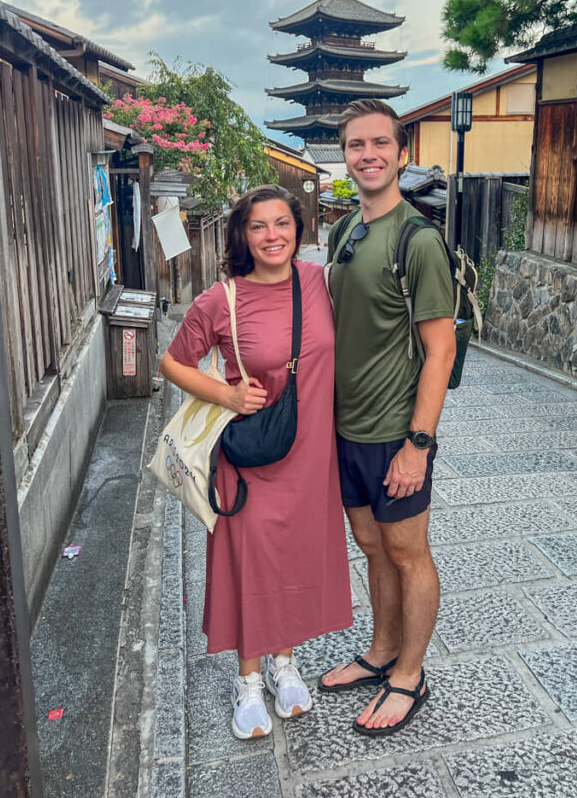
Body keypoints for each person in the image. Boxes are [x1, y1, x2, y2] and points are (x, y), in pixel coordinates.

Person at [160, 185, 353, 741]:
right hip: (249, 456)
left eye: (283, 224)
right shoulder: (222, 299)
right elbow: (173, 362)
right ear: (242, 235)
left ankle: (283, 662)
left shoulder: (318, 283)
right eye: (259, 226)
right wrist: (224, 396)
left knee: (292, 556)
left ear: (299, 227)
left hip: (310, 453)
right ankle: (247, 678)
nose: (273, 236)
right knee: (250, 559)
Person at [320, 99, 455, 737]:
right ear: (343, 156)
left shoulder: (418, 239)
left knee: (407, 553)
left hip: (394, 431)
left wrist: (418, 444)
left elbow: (440, 349)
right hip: (345, 429)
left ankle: (411, 673)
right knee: (371, 547)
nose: (368, 155)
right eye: (355, 145)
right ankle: (380, 651)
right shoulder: (344, 231)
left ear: (401, 153)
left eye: (380, 143)